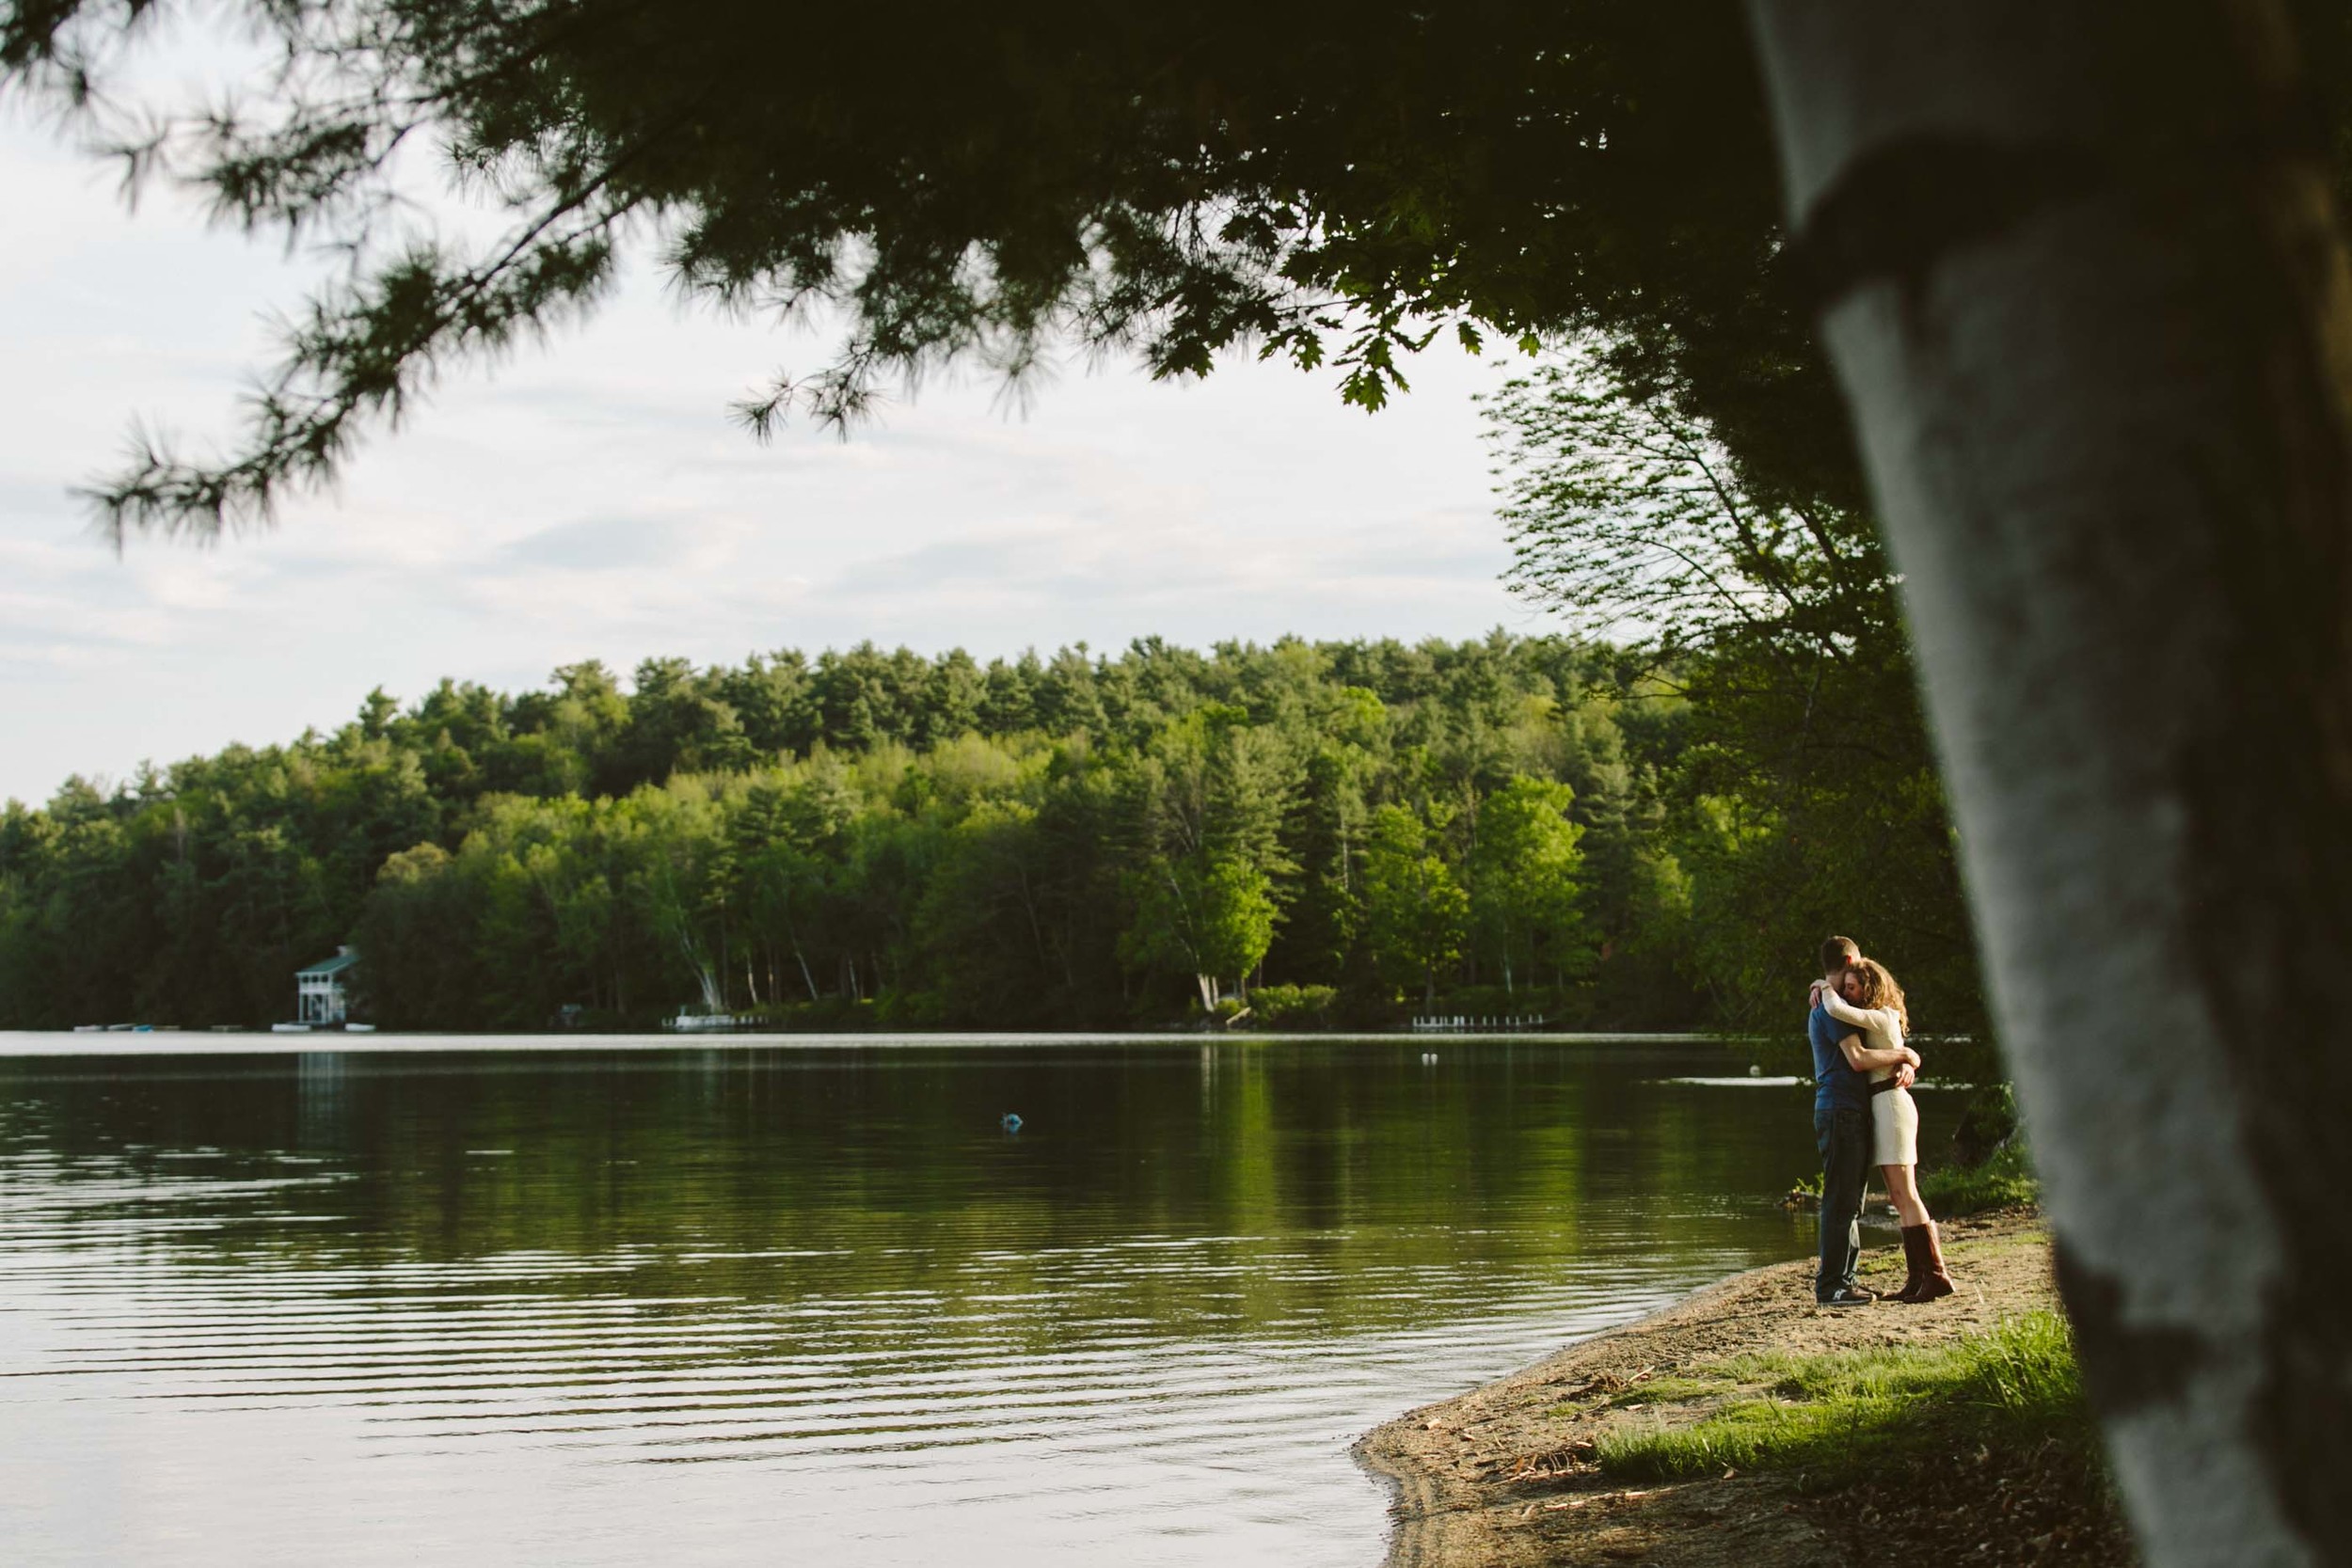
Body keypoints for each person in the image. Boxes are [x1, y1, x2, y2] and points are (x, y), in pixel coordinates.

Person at [1819, 958, 1956, 1302]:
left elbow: (1835, 1009)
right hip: (1883, 1104)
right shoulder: (1882, 1016)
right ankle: (1919, 1277)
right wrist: (1909, 1057)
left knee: (1904, 1194)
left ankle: (1935, 1274)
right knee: (1899, 1195)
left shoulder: (1879, 1015)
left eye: (1853, 987)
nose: (1847, 993)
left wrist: (1821, 986)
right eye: (1845, 986)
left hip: (1891, 1105)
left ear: (1870, 986)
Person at [1808, 936, 1918, 1306]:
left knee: (1850, 1201)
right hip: (1840, 1108)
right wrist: (1903, 1053)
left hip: (1848, 1109)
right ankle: (1832, 1286)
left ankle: (1844, 1281)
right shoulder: (1830, 1007)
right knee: (1841, 1200)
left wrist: (1901, 1063)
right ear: (1852, 959)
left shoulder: (1833, 1001)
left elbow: (1873, 1046)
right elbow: (1857, 1059)